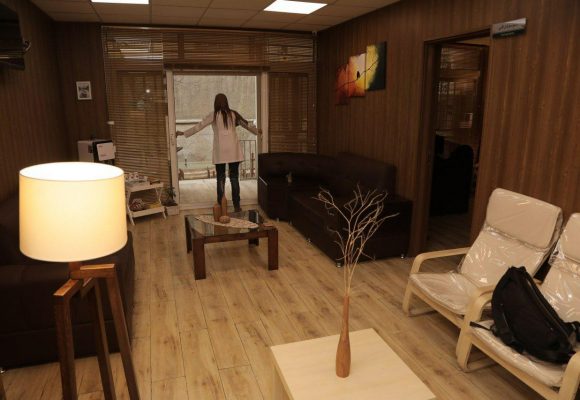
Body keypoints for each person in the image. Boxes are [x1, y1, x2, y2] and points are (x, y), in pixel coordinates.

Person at [176, 93, 261, 212]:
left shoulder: (214, 115)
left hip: (220, 152)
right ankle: (237, 206)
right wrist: (257, 131)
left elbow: (199, 126)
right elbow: (246, 125)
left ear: (215, 103)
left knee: (221, 178)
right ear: (226, 102)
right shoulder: (233, 114)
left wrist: (183, 133)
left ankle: (221, 205)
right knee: (234, 178)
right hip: (233, 152)